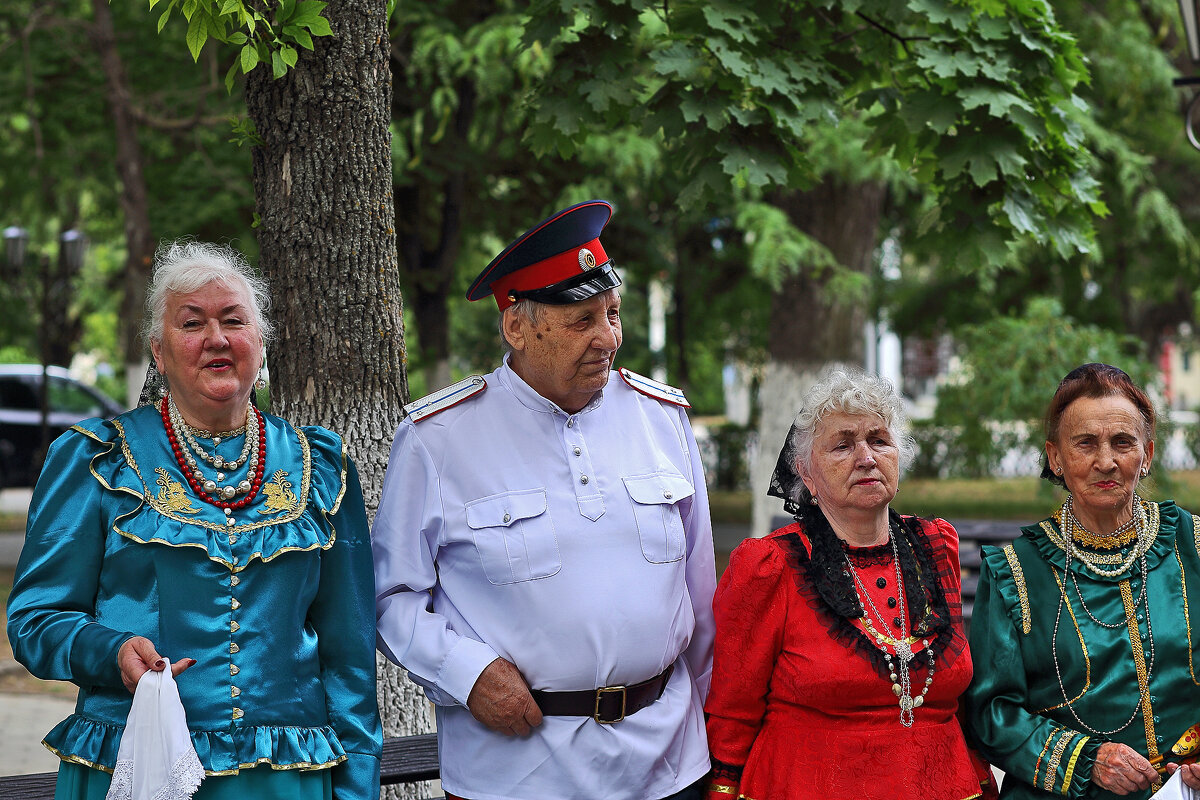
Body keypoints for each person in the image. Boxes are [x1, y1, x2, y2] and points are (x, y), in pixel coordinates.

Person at [6, 241, 381, 800]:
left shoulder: (321, 468)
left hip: (283, 780)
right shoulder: (96, 461)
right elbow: (33, 620)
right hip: (135, 762)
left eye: (234, 320)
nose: (216, 339)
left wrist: (357, 790)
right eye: (192, 323)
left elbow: (350, 656)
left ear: (260, 343)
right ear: (158, 352)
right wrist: (109, 651)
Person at [373, 199, 716, 800]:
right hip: (517, 773)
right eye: (582, 320)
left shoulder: (662, 419)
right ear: (517, 327)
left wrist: (718, 737)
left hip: (668, 763)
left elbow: (702, 596)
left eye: (612, 314)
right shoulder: (438, 439)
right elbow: (390, 597)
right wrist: (467, 674)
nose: (608, 338)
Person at [704, 368, 997, 800]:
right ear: (805, 473)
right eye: (843, 445)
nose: (866, 457)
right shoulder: (771, 565)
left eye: (879, 440)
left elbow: (963, 705)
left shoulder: (936, 546)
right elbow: (733, 711)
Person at [965, 363, 1200, 799]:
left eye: (1123, 442)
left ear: (1147, 454)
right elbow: (990, 711)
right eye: (1086, 443)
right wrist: (1087, 760)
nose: (1105, 461)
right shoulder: (1016, 571)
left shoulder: (1195, 544)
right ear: (1056, 457)